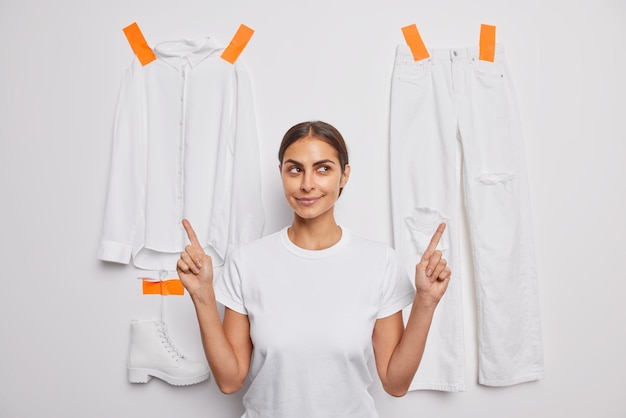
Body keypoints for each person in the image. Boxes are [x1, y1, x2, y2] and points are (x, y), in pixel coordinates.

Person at [176, 121, 451, 418]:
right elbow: (230, 381)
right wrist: (202, 294)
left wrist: (426, 301)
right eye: (295, 169)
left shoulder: (379, 261)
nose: (307, 183)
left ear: (344, 175)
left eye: (323, 169)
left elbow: (396, 383)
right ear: (281, 173)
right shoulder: (247, 261)